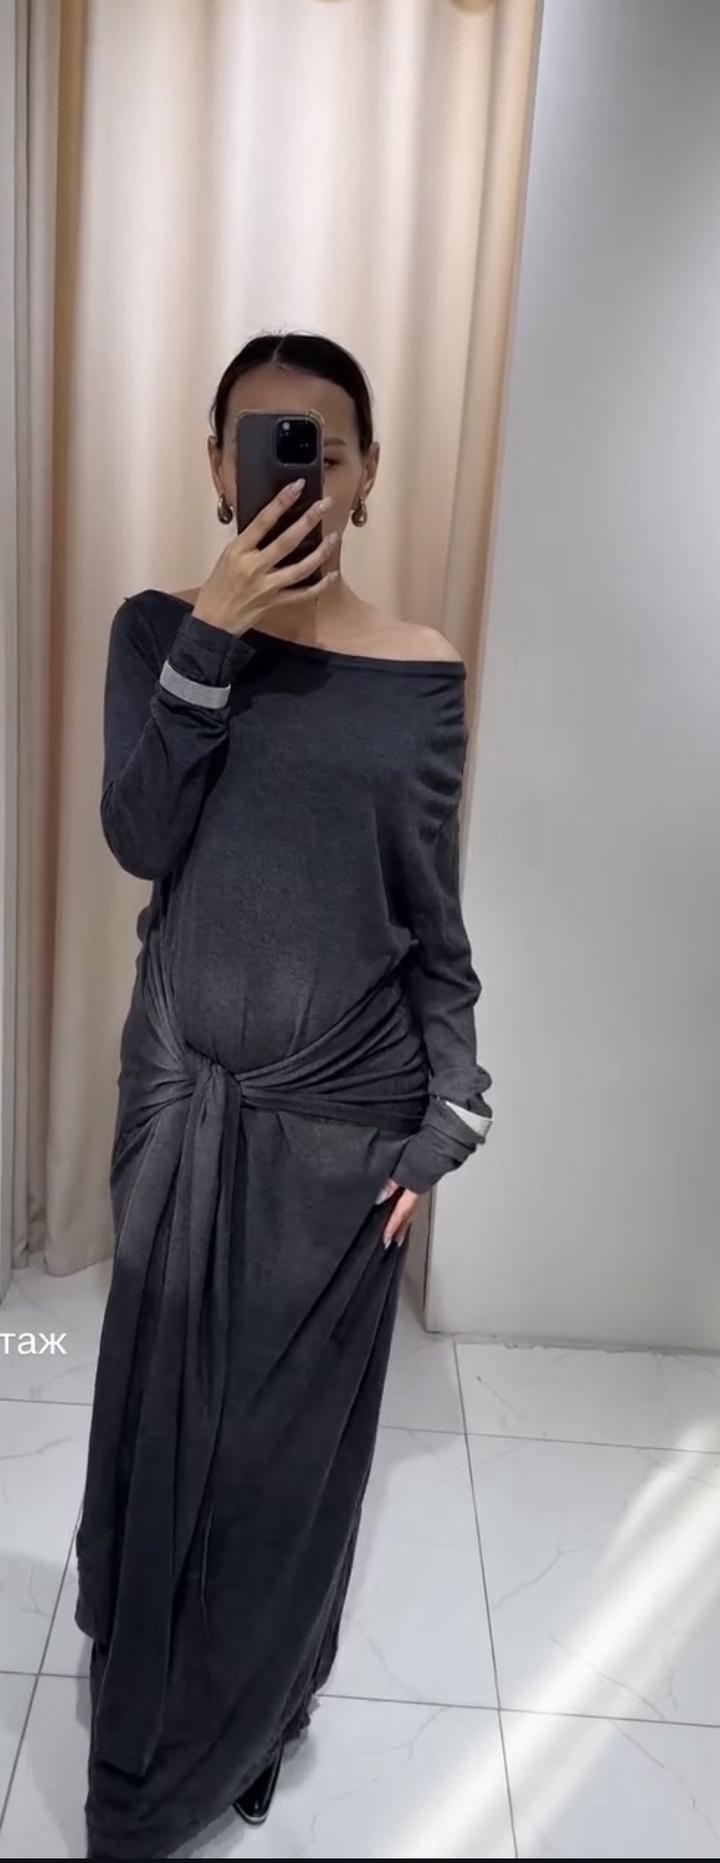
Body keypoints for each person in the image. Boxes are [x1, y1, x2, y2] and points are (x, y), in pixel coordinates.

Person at [75, 331, 493, 1859]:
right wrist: (213, 640)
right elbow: (139, 836)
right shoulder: (154, 633)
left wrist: (454, 1107)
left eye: (326, 445)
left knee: (278, 1463)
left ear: (368, 476)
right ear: (216, 466)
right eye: (262, 442)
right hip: (181, 1108)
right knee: (159, 1414)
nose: (295, 472)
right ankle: (144, 1681)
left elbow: (428, 914)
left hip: (342, 1133)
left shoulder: (423, 673)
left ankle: (249, 1715)